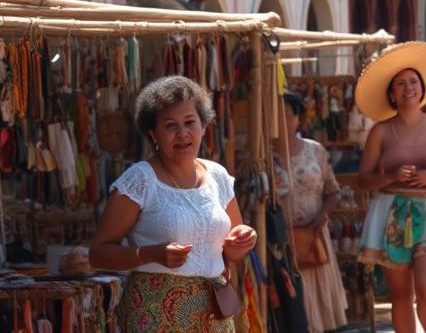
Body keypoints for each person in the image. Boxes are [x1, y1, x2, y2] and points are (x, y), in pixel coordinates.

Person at [90, 76, 257, 332]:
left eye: (190, 122)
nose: (182, 134)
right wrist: (151, 254)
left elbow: (231, 252)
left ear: (203, 126)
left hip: (214, 315)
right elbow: (98, 253)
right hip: (155, 313)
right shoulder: (140, 180)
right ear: (153, 133)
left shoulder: (218, 176)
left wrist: (245, 238)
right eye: (170, 126)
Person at [356, 41, 426, 333]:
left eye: (413, 81)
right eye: (400, 84)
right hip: (391, 214)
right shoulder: (380, 131)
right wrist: (391, 176)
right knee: (400, 295)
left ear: (423, 88)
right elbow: (363, 180)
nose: (408, 88)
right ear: (391, 94)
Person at [274, 92, 348, 331]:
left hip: (313, 236)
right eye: (274, 116)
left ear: (298, 118)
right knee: (292, 306)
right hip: (279, 241)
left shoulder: (314, 150)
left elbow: (333, 191)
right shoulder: (261, 155)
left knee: (318, 302)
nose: (279, 121)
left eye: (285, 115)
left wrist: (323, 213)